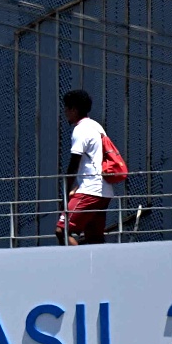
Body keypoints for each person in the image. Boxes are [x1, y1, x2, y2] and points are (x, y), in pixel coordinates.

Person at [59, 89, 116, 246]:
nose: (65, 112)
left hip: (90, 190)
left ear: (74, 109)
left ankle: (78, 265)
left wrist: (65, 191)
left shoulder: (80, 129)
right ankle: (98, 268)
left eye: (67, 108)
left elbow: (74, 164)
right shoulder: (96, 126)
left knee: (62, 231)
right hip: (104, 190)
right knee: (94, 238)